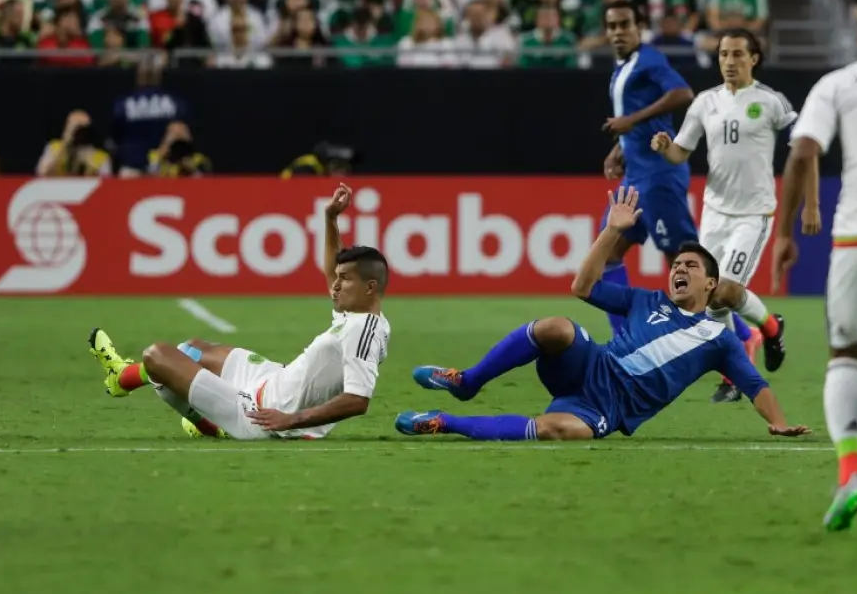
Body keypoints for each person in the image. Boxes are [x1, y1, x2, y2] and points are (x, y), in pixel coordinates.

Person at [396, 186, 810, 443]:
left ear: (710, 285)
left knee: (560, 431)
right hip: (590, 367)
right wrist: (612, 231)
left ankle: (443, 422)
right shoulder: (645, 299)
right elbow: (582, 288)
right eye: (676, 265)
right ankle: (467, 382)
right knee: (557, 327)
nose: (679, 270)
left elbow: (756, 385)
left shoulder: (719, 340)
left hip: (610, 408)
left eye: (691, 267)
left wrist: (778, 422)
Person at [87, 183, 391, 441]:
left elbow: (358, 400)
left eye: (345, 279)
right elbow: (332, 270)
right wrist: (330, 218)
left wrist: (290, 419)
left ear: (370, 287)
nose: (334, 285)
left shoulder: (364, 330)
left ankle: (202, 420)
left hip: (261, 415)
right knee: (191, 350)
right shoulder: (356, 314)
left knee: (158, 356)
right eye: (337, 278)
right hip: (273, 378)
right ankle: (127, 379)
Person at [771, 0, 857, 537]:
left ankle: (851, 473)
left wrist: (786, 233)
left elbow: (803, 153)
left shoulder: (837, 84)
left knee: (844, 355)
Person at [650, 29, 792, 402]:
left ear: (754, 58)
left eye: (737, 55)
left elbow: (800, 146)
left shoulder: (770, 102)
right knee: (709, 294)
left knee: (725, 291)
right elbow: (682, 151)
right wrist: (667, 148)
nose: (729, 62)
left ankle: (770, 328)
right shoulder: (705, 103)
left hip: (754, 212)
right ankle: (736, 369)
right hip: (715, 211)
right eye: (723, 55)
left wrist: (807, 200)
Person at [598, 0, 696, 338]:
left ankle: (741, 334)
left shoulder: (650, 58)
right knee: (605, 254)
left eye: (625, 24)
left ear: (639, 27)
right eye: (612, 26)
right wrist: (619, 148)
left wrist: (631, 121)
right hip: (635, 174)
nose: (618, 32)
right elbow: (635, 119)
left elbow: (683, 93)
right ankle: (626, 339)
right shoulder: (623, 67)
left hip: (659, 174)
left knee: (684, 262)